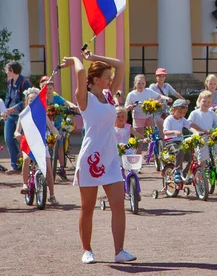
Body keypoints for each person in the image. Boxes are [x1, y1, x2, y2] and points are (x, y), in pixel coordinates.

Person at [62, 51, 136, 264]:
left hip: (110, 157)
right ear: (95, 80)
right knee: (87, 207)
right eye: (106, 76)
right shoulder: (84, 98)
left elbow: (121, 64)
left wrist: (94, 56)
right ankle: (87, 250)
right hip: (90, 158)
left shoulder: (109, 96)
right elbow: (81, 71)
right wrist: (76, 60)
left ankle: (119, 251)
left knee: (118, 205)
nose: (110, 79)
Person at [14, 87, 61, 205]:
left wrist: (57, 134)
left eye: (35, 100)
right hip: (28, 143)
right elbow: (17, 130)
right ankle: (25, 184)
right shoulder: (23, 115)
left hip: (40, 143)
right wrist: (18, 134)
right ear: (27, 101)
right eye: (30, 100)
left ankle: (52, 195)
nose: (32, 102)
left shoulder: (42, 115)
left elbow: (51, 127)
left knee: (49, 169)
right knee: (26, 159)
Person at [40, 76, 77, 181]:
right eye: (46, 89)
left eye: (50, 88)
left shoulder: (57, 98)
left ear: (53, 89)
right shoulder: (42, 98)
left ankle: (61, 168)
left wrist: (72, 106)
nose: (48, 91)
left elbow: (66, 103)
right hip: (46, 126)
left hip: (57, 125)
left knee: (61, 146)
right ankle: (44, 166)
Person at [188, 91, 217, 161]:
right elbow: (189, 124)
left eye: (209, 102)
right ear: (199, 101)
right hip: (201, 138)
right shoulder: (194, 113)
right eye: (204, 101)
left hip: (211, 136)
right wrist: (196, 132)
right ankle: (202, 170)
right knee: (203, 159)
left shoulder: (211, 113)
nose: (206, 104)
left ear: (211, 103)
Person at [163, 99, 202, 184]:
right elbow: (165, 132)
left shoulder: (182, 119)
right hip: (170, 142)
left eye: (184, 113)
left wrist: (199, 132)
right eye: (180, 112)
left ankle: (185, 174)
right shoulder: (169, 119)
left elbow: (190, 125)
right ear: (173, 110)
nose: (182, 114)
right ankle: (177, 171)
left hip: (180, 142)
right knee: (179, 150)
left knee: (192, 156)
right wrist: (174, 132)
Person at [2, 61, 32, 174]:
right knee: (8, 139)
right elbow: (8, 96)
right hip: (10, 115)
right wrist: (4, 110)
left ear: (11, 70)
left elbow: (25, 101)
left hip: (21, 116)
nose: (5, 72)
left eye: (7, 70)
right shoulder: (10, 81)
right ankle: (15, 166)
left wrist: (12, 109)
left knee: (22, 140)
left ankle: (26, 165)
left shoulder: (25, 82)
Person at [125, 74, 170, 143]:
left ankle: (153, 150)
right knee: (139, 138)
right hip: (138, 117)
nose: (141, 85)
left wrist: (166, 98)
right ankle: (138, 152)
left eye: (143, 83)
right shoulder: (131, 95)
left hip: (149, 116)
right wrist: (130, 107)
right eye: (139, 83)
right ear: (135, 84)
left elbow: (158, 96)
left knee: (153, 133)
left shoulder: (148, 91)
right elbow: (126, 108)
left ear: (145, 83)